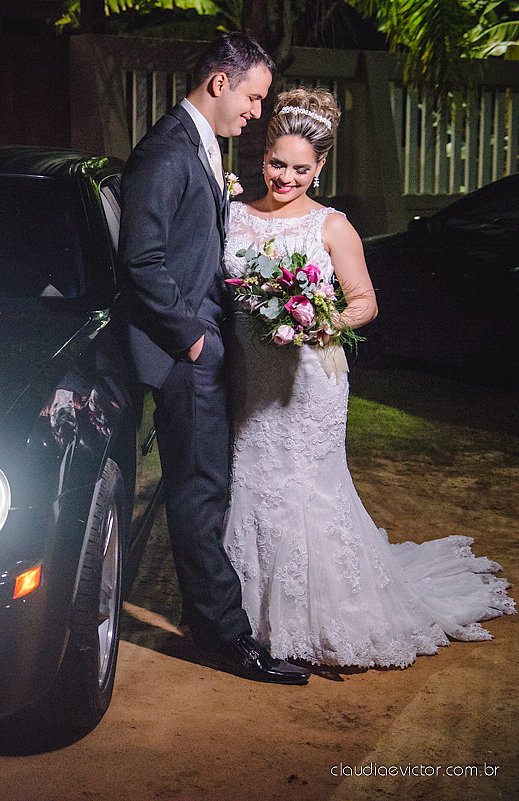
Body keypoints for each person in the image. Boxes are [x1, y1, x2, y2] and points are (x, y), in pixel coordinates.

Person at [222, 87, 516, 668]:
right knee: (251, 481)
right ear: (262, 158)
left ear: (320, 167)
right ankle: (247, 614)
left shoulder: (331, 227)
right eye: (277, 164)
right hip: (248, 377)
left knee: (307, 488)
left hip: (308, 380)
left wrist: (312, 317)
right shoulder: (232, 215)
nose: (286, 177)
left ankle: (328, 616)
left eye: (301, 168)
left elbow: (364, 304)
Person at [116, 33, 309, 684]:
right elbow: (139, 258)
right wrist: (193, 338)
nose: (257, 112)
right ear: (220, 85)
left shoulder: (197, 145)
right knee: (199, 496)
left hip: (203, 344)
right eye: (254, 97)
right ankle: (228, 638)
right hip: (183, 354)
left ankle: (211, 623)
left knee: (207, 490)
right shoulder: (167, 152)